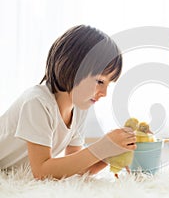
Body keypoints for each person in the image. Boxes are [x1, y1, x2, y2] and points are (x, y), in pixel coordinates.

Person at [0, 25, 136, 179]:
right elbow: (42, 171)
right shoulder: (37, 102)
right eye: (100, 81)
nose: (104, 93)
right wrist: (101, 147)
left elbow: (77, 168)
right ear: (73, 68)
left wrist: (109, 152)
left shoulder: (79, 108)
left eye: (108, 84)